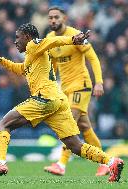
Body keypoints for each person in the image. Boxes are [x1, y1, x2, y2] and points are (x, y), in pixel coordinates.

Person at [0, 23, 124, 182]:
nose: (15, 41)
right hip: (58, 101)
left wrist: (73, 39)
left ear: (27, 37)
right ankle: (111, 162)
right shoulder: (32, 56)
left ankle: (0, 163)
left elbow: (52, 42)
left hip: (44, 98)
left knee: (3, 125)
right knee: (75, 145)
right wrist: (1, 60)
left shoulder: (34, 44)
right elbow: (20, 69)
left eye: (17, 37)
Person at [44, 6, 109, 176]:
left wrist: (99, 82)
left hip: (82, 86)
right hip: (65, 89)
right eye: (50, 17)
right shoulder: (50, 39)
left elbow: (93, 57)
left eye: (56, 17)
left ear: (64, 18)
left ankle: (61, 164)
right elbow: (55, 65)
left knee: (69, 123)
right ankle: (106, 162)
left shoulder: (76, 35)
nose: (53, 20)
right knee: (84, 126)